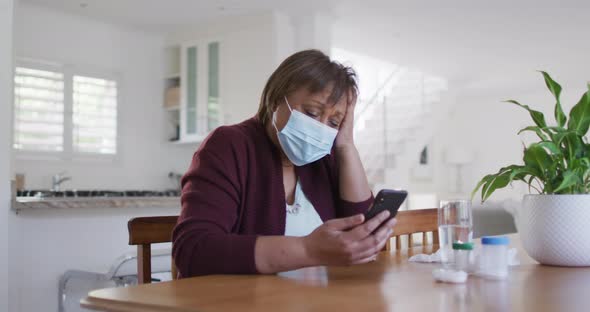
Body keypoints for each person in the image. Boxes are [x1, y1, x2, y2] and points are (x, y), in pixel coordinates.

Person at [172, 49, 397, 277]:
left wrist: (346, 144)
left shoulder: (323, 159)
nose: (321, 128)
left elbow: (360, 235)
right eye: (311, 113)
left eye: (334, 121)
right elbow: (194, 250)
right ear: (276, 99)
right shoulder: (230, 145)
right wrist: (308, 250)